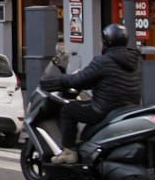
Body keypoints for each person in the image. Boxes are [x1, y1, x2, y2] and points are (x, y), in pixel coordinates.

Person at [40, 22, 141, 165]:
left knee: (69, 110)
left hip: (103, 108)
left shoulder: (103, 61)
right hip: (128, 107)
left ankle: (69, 152)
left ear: (107, 41)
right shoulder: (135, 61)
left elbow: (80, 78)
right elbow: (106, 79)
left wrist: (59, 81)